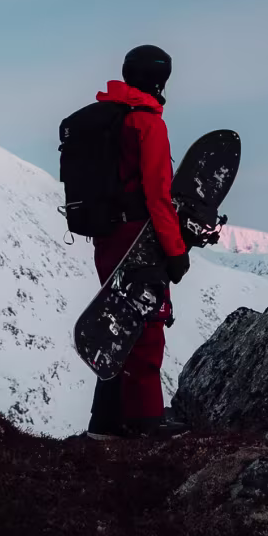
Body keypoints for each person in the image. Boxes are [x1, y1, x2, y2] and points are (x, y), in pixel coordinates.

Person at [87, 44, 190, 440]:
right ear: (160, 80)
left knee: (116, 320)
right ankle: (148, 419)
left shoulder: (105, 118)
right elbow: (158, 195)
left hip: (106, 236)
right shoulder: (146, 124)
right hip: (139, 236)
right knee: (147, 321)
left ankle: (105, 422)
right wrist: (175, 250)